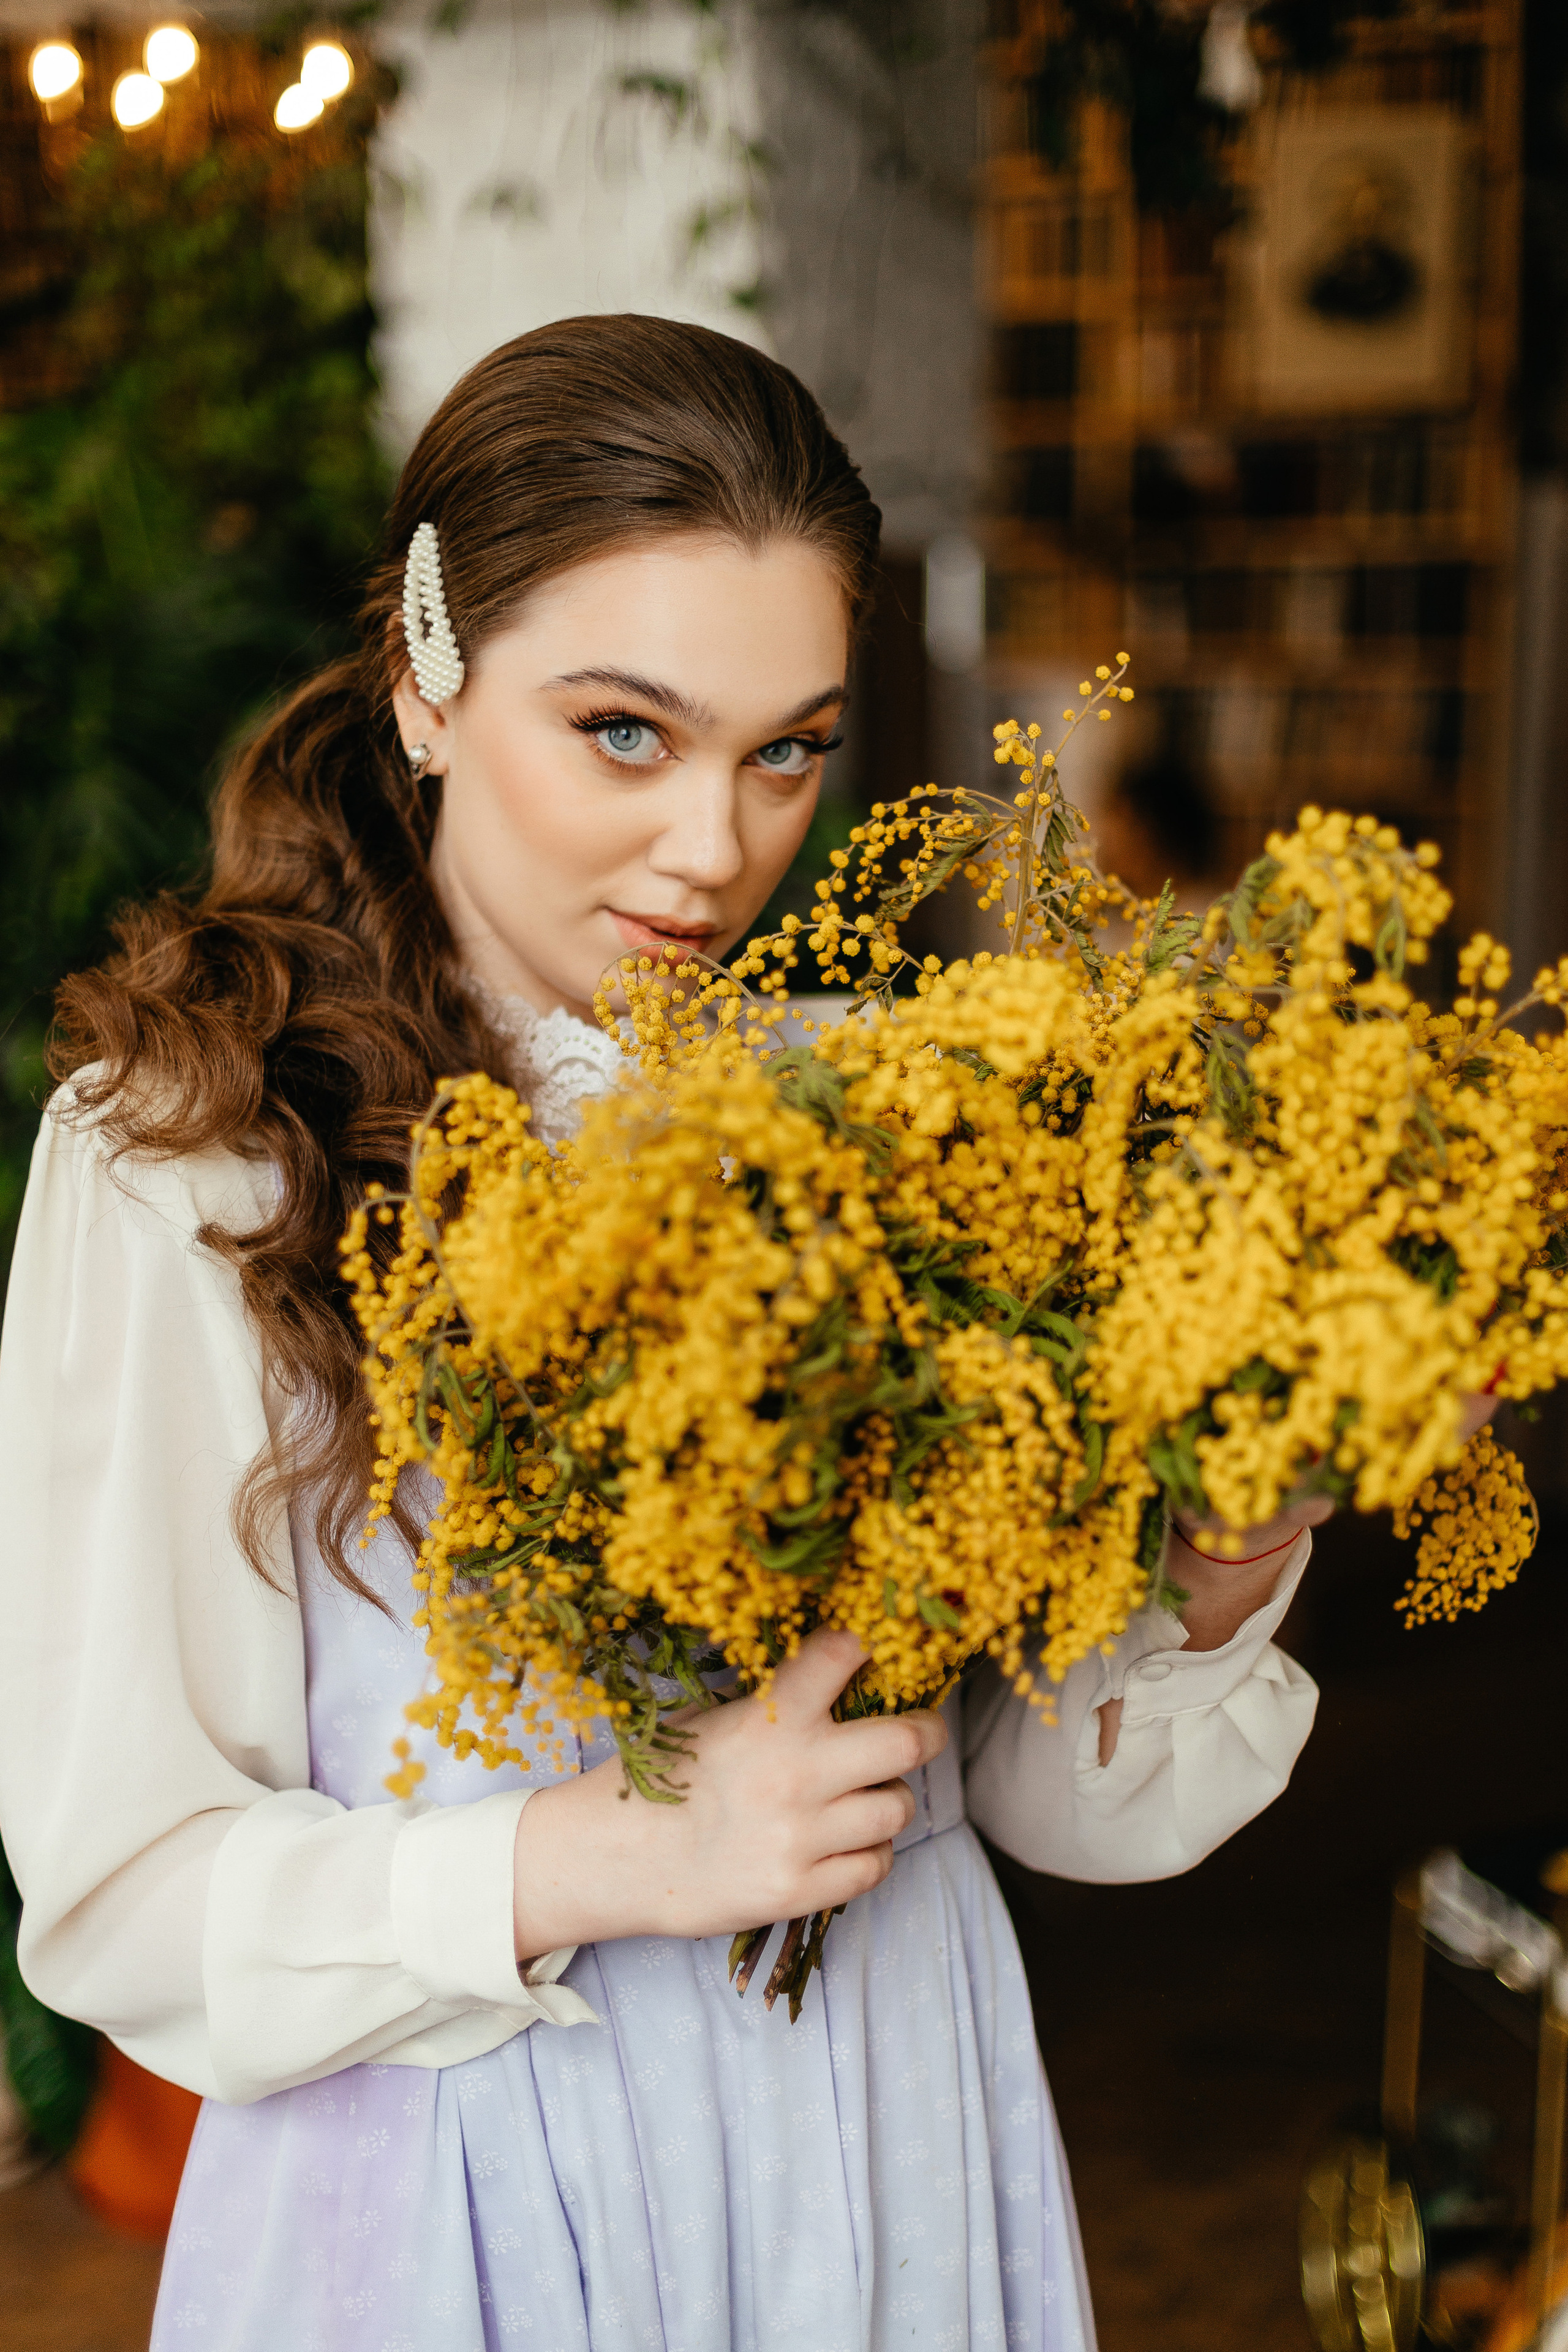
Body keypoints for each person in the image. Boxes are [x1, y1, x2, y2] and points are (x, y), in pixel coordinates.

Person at [0, 317, 1322, 2352]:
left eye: (787, 747)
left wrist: (1223, 1559)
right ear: (430, 680)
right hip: (467, 2185)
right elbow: (122, 1897)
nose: (718, 847)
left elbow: (1037, 1798)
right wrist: (603, 1855)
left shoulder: (900, 1101)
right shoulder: (196, 1159)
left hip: (898, 2133)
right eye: (626, 729)